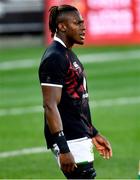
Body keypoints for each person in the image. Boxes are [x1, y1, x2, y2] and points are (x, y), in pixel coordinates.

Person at [38, 4, 112, 179]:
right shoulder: (55, 57)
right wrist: (64, 148)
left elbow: (75, 101)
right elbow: (50, 105)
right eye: (77, 23)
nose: (83, 27)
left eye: (83, 22)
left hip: (79, 134)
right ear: (62, 26)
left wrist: (92, 132)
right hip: (70, 139)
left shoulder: (67, 54)